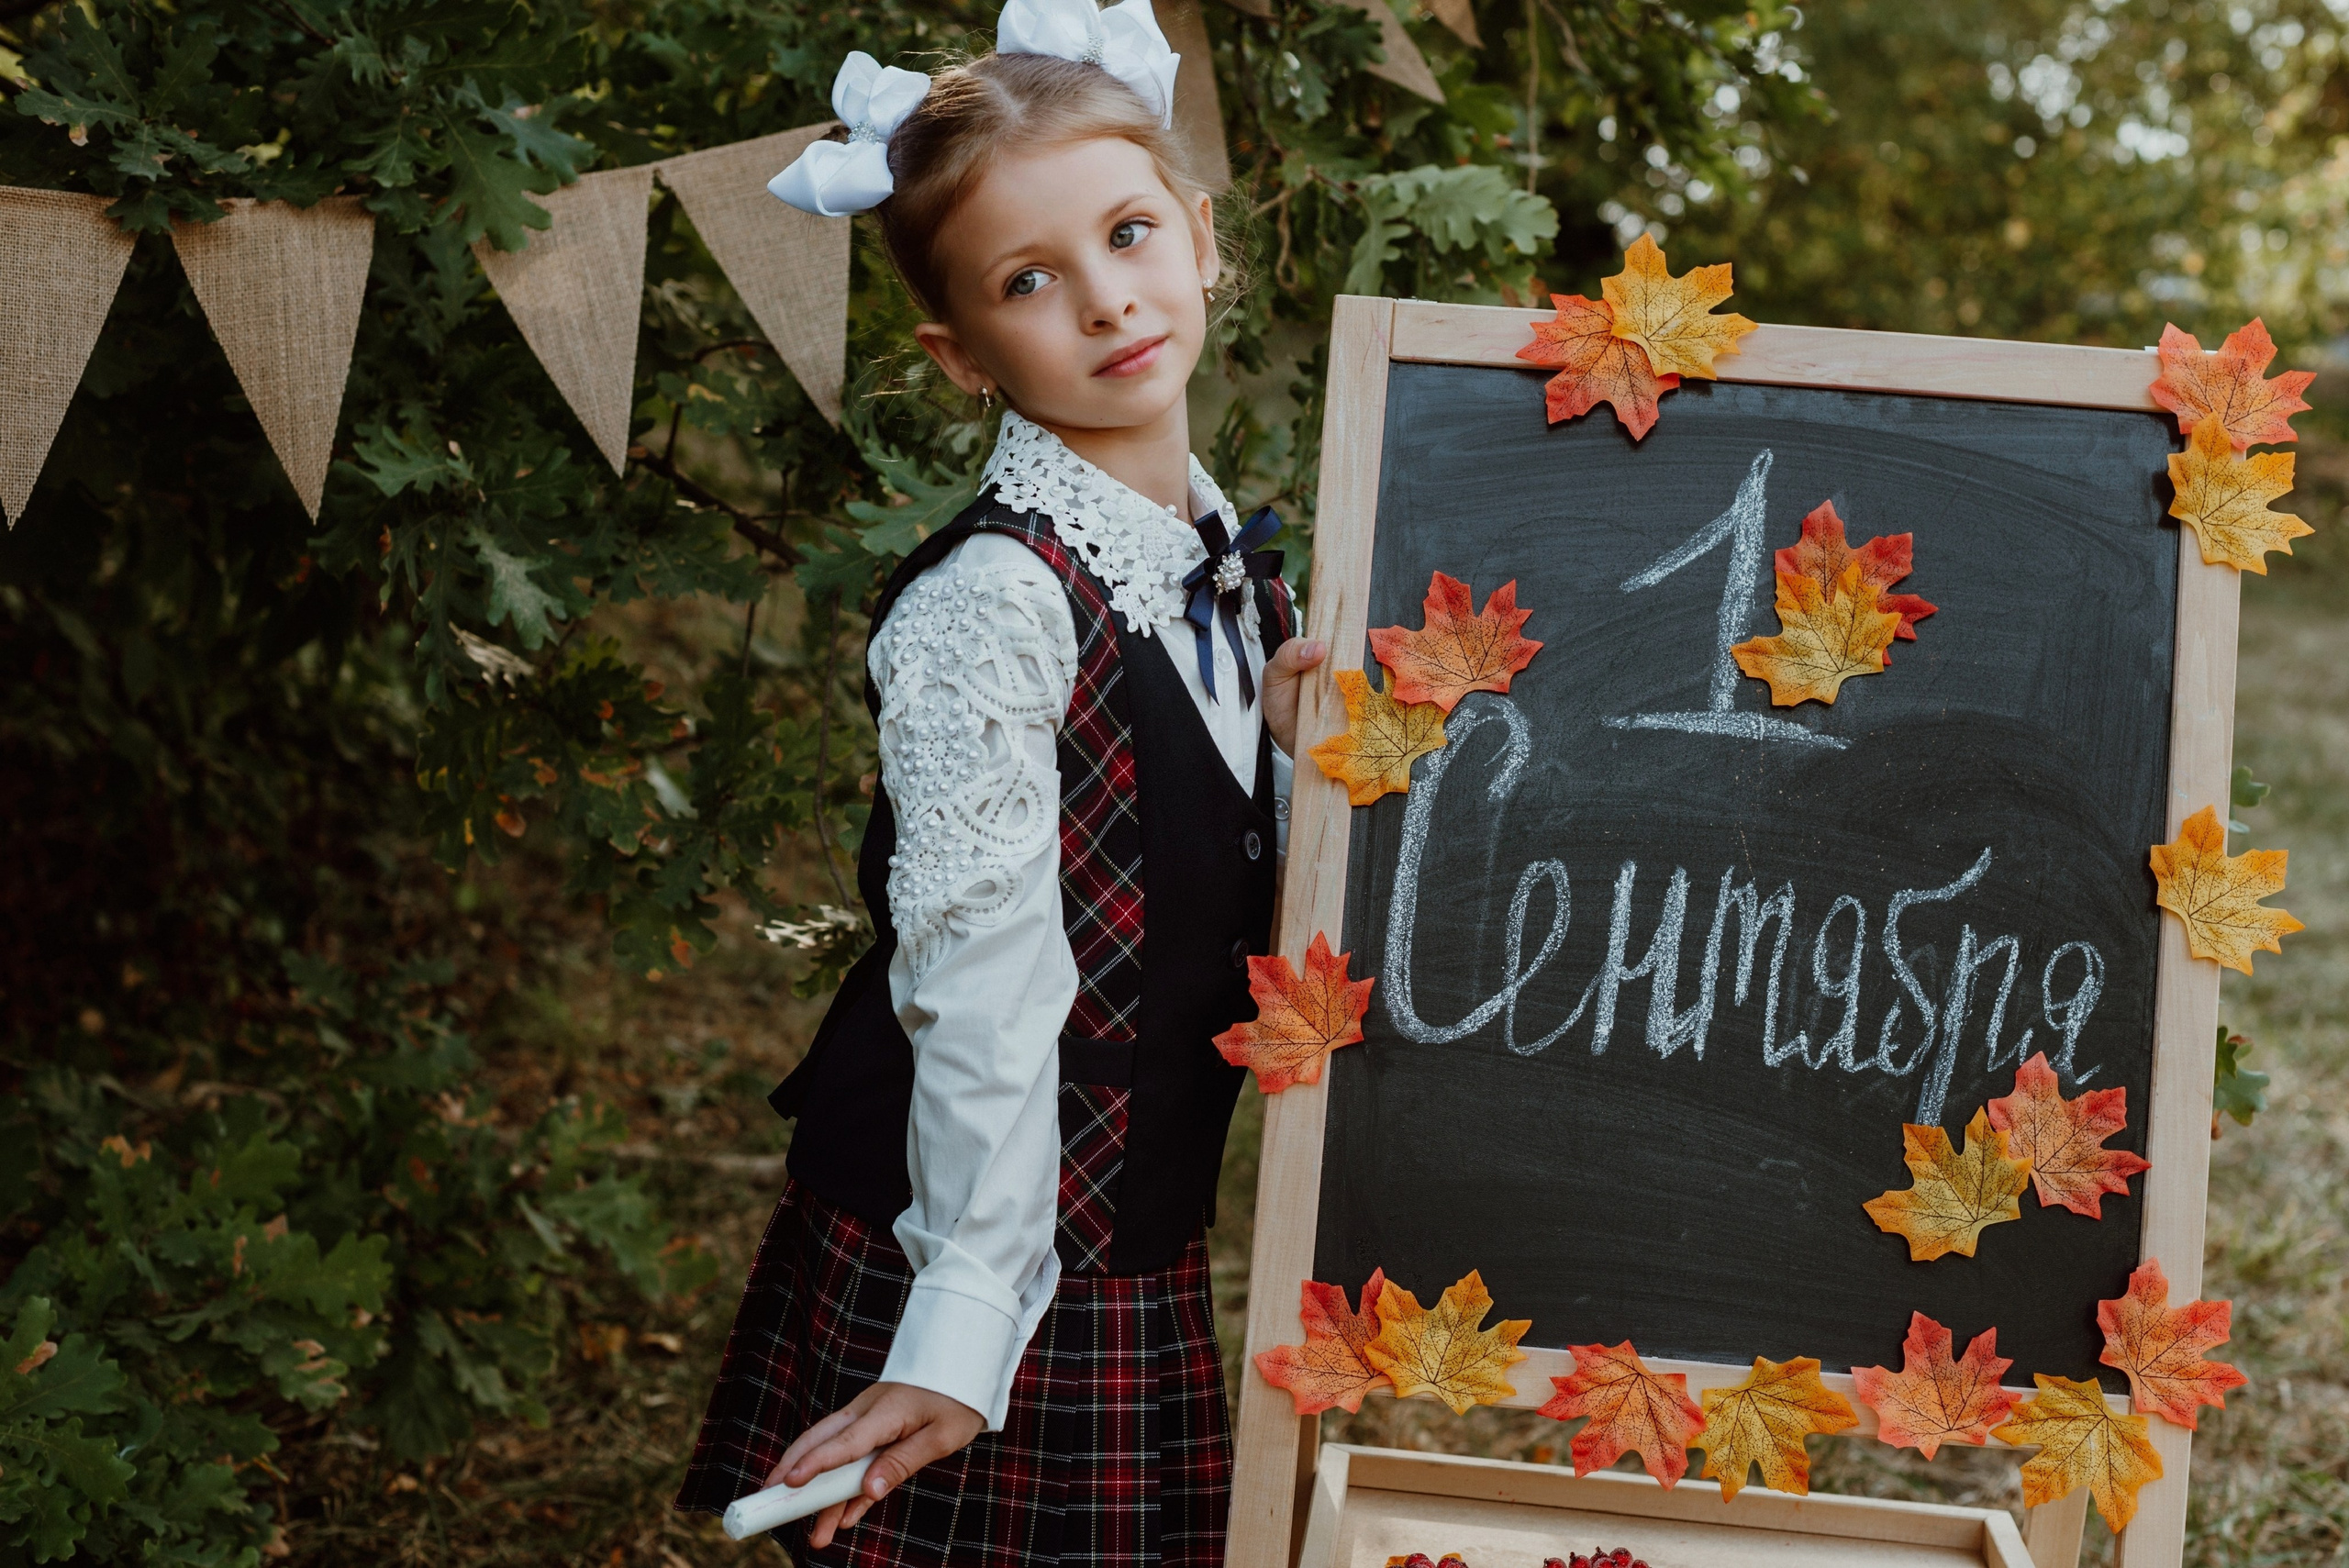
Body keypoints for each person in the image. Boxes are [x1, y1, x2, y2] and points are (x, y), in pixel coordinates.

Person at [673, 1, 1329, 1561]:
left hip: (1132, 1232)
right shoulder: (995, 604)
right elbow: (986, 989)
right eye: (1031, 281)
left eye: (1128, 233)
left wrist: (1301, 769)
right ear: (960, 352)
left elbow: (1192, 880)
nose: (1107, 300)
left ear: (1203, 238)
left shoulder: (1225, 556)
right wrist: (963, 1332)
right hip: (981, 1220)